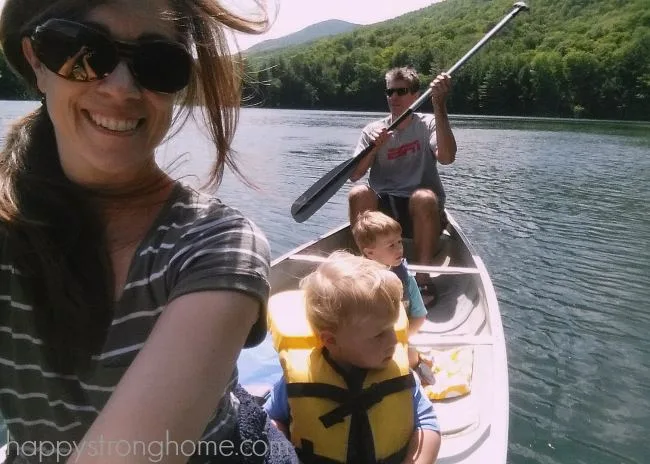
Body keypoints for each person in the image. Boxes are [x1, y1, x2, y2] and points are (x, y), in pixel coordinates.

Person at [0, 1, 298, 463]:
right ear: (37, 61)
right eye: (84, 51)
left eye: (158, 63)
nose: (122, 87)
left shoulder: (216, 242)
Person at [264, 252, 441, 464]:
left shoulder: (402, 376)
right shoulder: (297, 380)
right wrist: (283, 453)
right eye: (379, 335)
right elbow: (271, 419)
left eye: (392, 329)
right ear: (331, 340)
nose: (394, 341)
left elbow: (428, 424)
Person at [347, 66, 457, 267]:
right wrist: (373, 148)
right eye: (390, 91)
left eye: (401, 91)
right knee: (359, 193)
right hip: (385, 209)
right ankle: (366, 269)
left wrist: (439, 105)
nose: (394, 97)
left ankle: (423, 275)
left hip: (421, 208)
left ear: (415, 95)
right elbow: (354, 175)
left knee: (423, 197)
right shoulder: (372, 130)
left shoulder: (429, 123)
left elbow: (447, 158)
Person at [351, 210, 433, 370]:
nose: (399, 249)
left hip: (400, 336)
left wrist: (402, 338)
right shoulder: (358, 280)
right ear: (369, 253)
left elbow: (420, 316)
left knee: (410, 358)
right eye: (391, 245)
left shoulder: (406, 279)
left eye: (399, 242)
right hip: (369, 337)